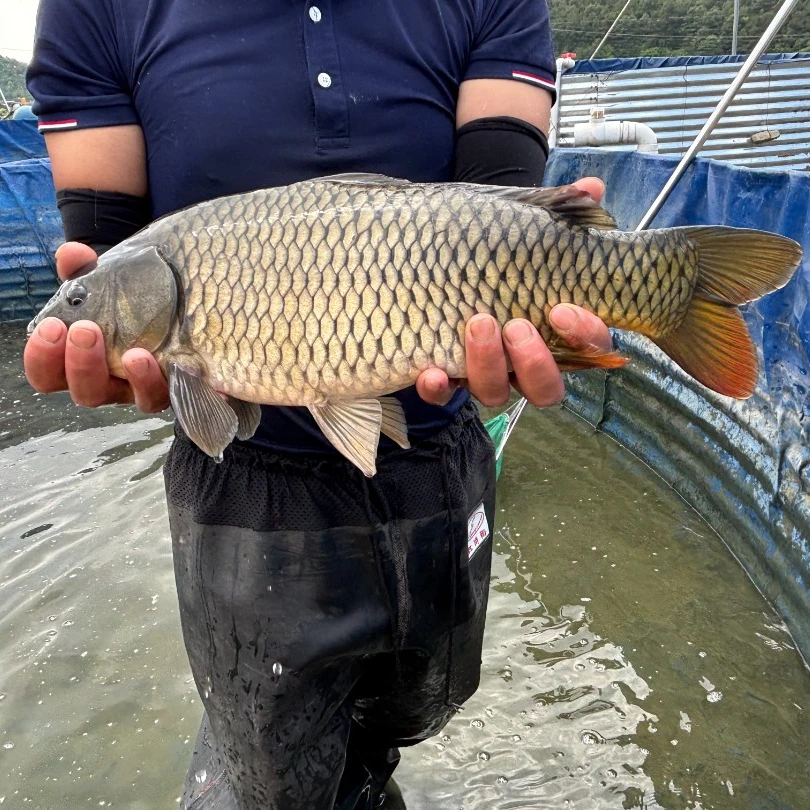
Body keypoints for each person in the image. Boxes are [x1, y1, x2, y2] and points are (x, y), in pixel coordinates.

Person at [24, 2, 613, 808]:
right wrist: (100, 328)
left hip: (441, 454)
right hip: (246, 492)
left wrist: (525, 324)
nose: (73, 306)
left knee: (403, 720)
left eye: (77, 302)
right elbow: (104, 243)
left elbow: (496, 203)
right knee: (275, 775)